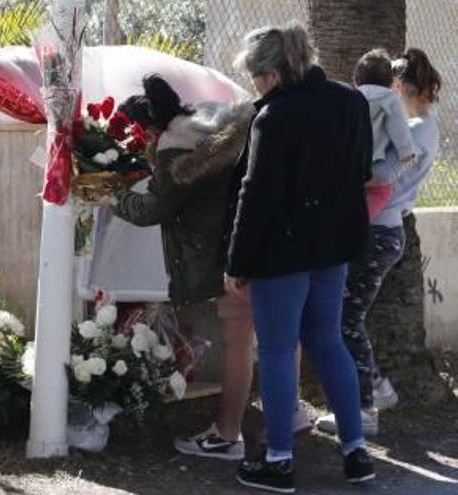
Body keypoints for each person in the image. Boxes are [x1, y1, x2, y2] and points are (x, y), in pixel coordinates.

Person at [104, 75, 310, 462]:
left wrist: (111, 198)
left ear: (148, 130)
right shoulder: (212, 123)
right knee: (281, 337)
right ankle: (291, 412)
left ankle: (228, 435)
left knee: (238, 343)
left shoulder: (175, 152)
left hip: (236, 254)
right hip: (278, 243)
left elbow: (152, 209)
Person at [226, 22, 375, 492]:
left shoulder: (274, 117)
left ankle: (279, 461)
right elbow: (362, 171)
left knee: (274, 349)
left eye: (255, 77)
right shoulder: (352, 102)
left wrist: (237, 260)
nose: (256, 87)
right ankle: (356, 453)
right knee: (329, 342)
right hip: (333, 248)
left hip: (282, 253)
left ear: (270, 72)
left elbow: (257, 195)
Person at [316, 48, 442, 437]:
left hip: (378, 232)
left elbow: (383, 176)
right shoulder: (421, 125)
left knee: (347, 321)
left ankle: (366, 406)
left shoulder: (415, 128)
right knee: (348, 318)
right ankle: (376, 389)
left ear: (398, 86)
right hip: (381, 231)